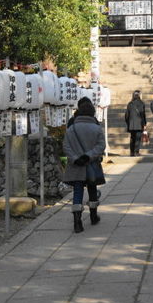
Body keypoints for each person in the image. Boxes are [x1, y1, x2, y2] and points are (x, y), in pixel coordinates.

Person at [62, 97, 105, 233]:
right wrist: (89, 156)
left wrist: (76, 158)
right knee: (92, 189)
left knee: (78, 191)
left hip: (76, 166)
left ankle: (77, 221)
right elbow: (101, 146)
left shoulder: (71, 129)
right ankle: (93, 216)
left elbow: (66, 146)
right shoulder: (96, 128)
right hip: (91, 165)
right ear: (92, 113)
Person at [124, 90, 147, 156]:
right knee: (138, 138)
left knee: (132, 138)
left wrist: (128, 123)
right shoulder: (141, 103)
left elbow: (126, 115)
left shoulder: (130, 104)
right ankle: (136, 152)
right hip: (139, 123)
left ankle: (132, 152)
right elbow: (143, 115)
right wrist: (144, 124)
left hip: (131, 124)